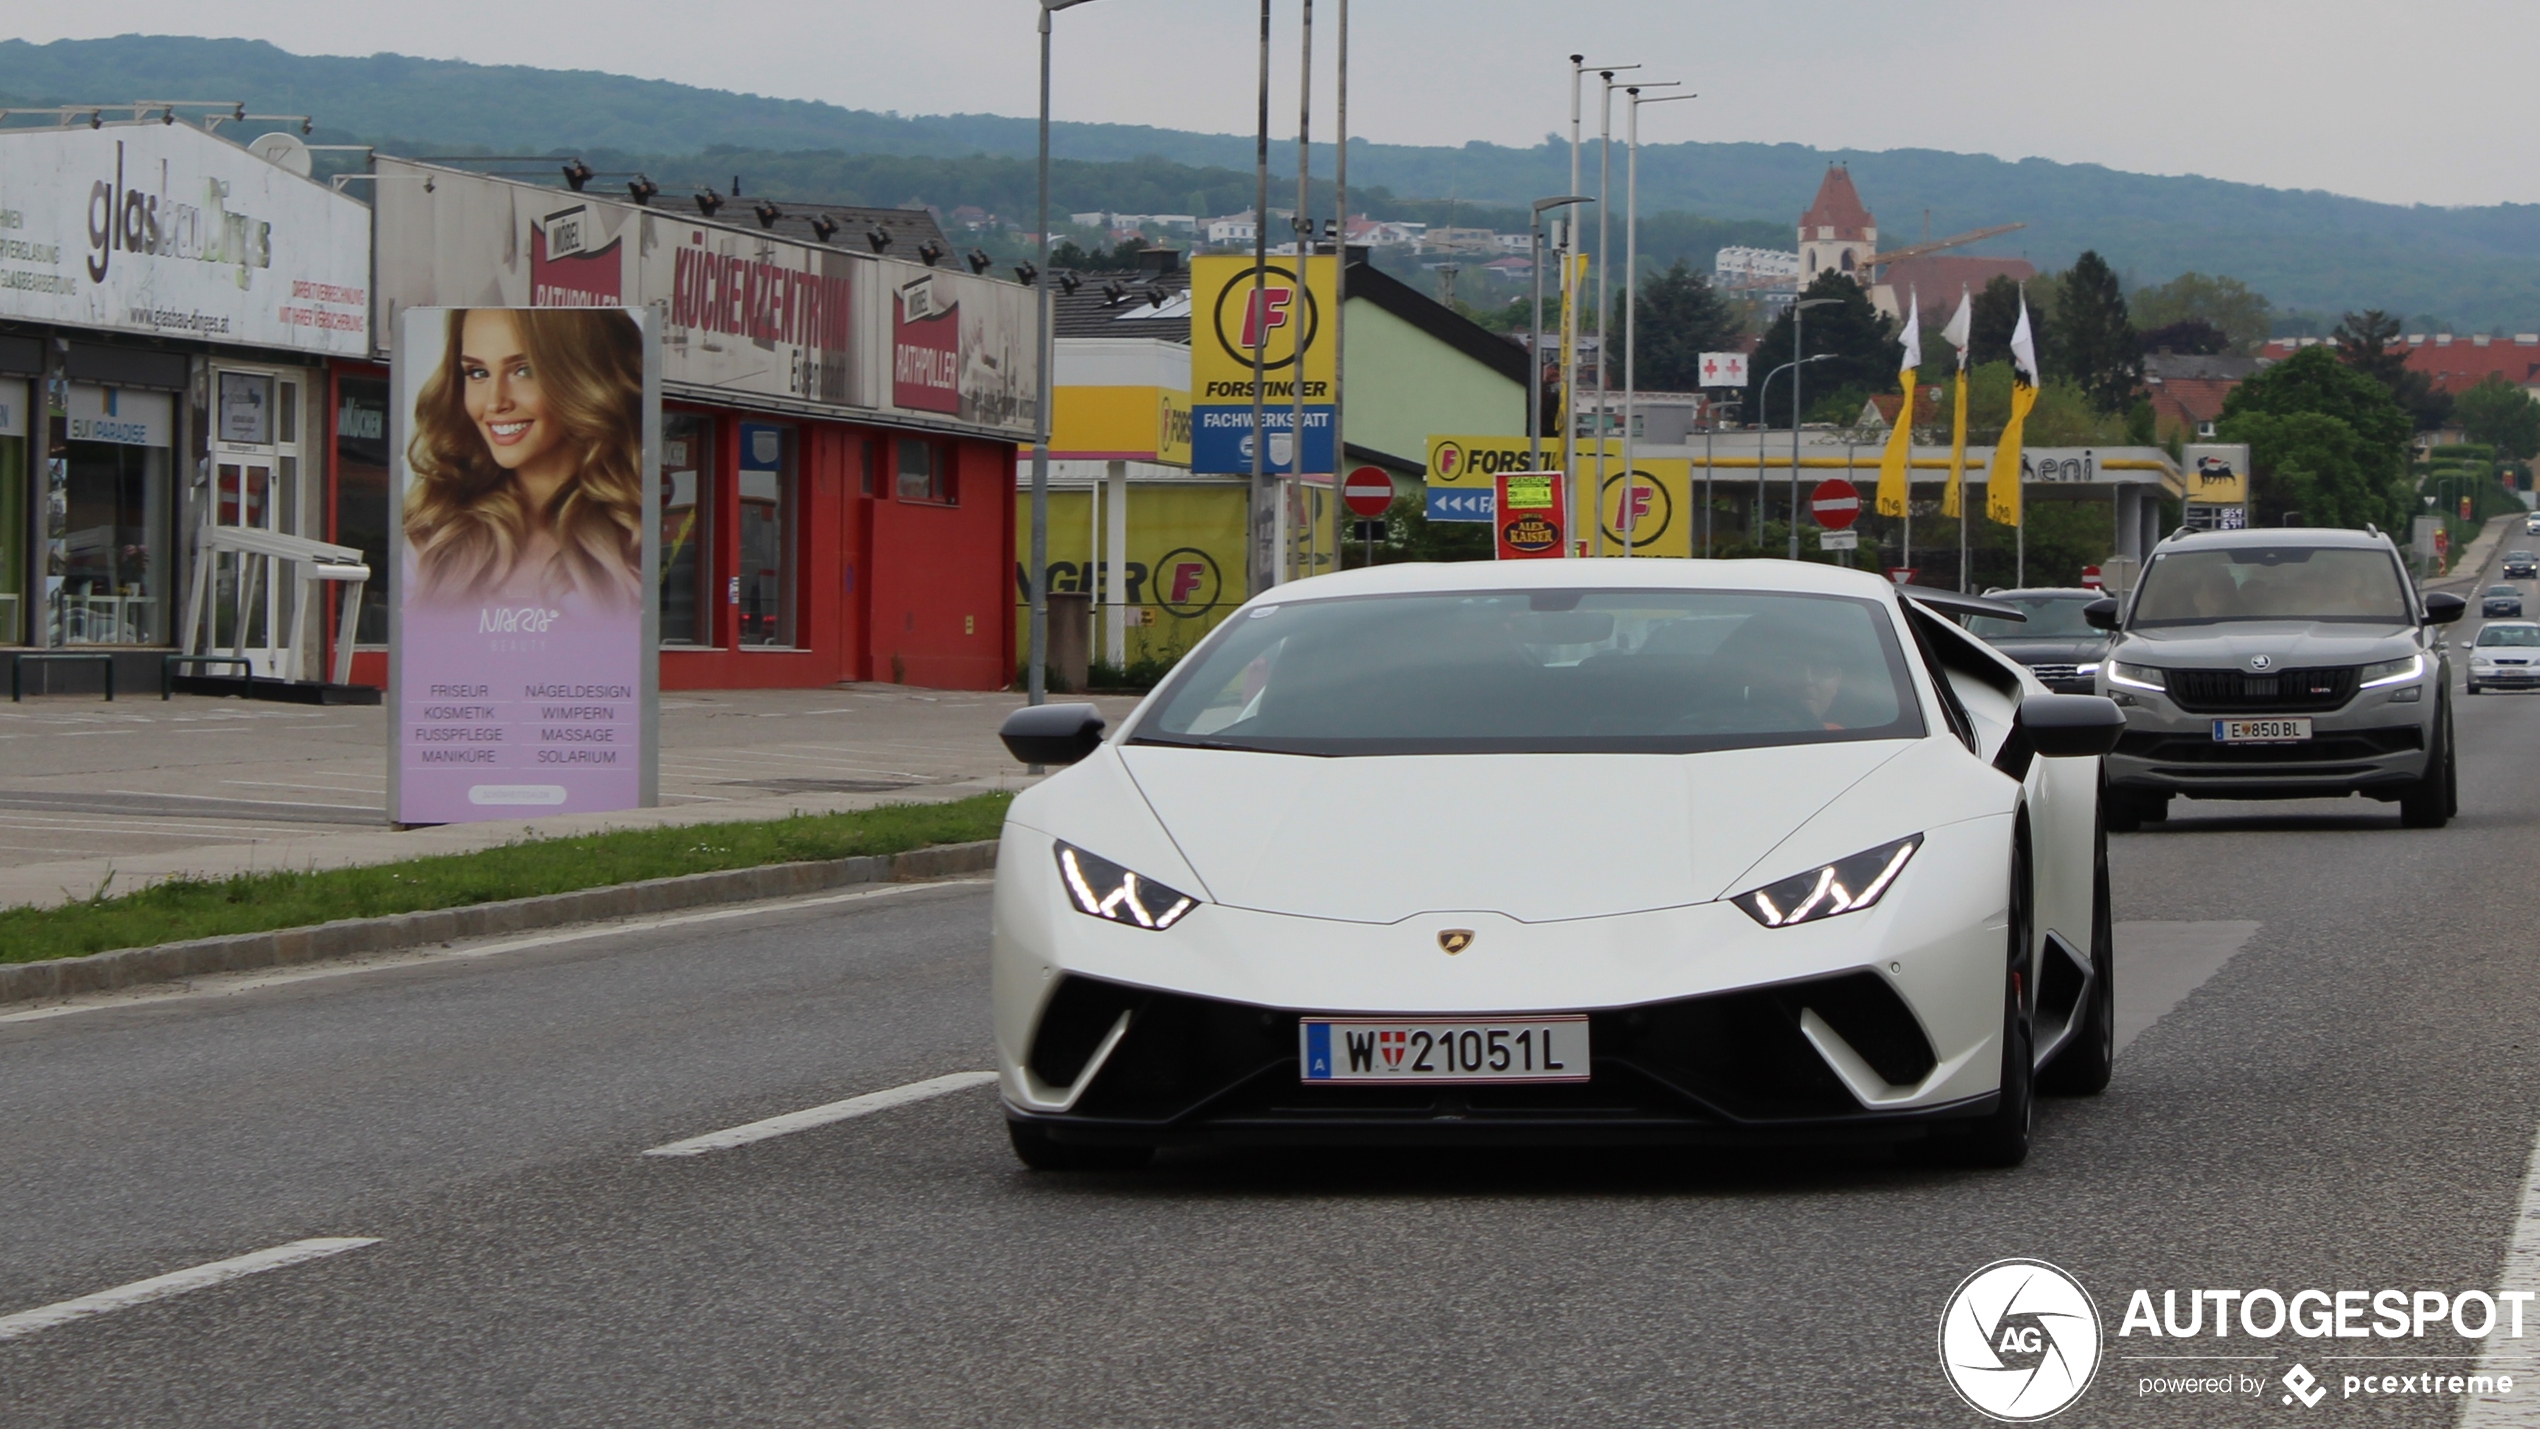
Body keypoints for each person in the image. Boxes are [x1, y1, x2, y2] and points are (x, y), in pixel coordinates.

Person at [402, 308, 644, 608]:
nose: (494, 402)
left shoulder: (637, 528)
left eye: (524, 370)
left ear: (583, 378)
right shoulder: (434, 533)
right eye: (478, 373)